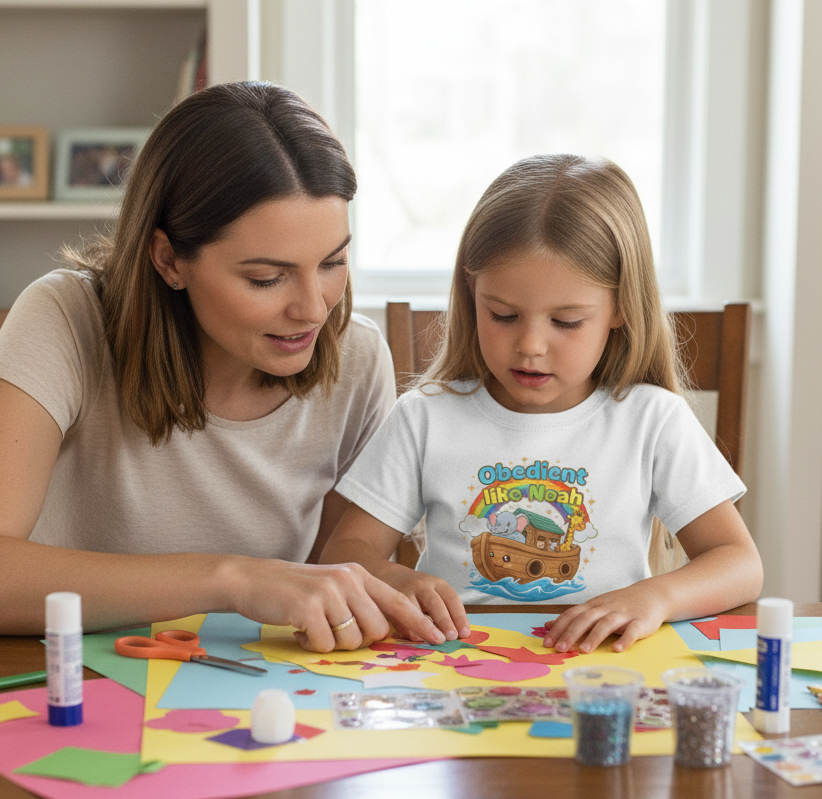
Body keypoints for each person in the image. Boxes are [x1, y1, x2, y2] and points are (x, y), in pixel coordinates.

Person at [0, 81, 446, 652]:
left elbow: (330, 582)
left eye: (333, 262)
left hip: (254, 688)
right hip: (74, 677)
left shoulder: (357, 359)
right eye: (266, 278)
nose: (313, 309)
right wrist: (232, 579)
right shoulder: (65, 318)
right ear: (169, 260)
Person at [320, 153, 764, 653]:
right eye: (504, 315)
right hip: (453, 669)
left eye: (567, 322)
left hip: (605, 673)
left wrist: (655, 597)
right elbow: (346, 552)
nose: (531, 344)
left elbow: (740, 563)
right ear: (472, 292)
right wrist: (396, 580)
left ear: (619, 307)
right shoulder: (424, 418)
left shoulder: (651, 420)